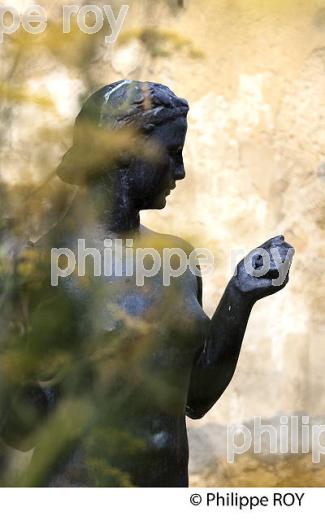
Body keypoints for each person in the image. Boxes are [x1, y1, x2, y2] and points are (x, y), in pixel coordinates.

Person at [0, 80, 294, 486]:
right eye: (172, 154)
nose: (181, 171)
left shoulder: (178, 260)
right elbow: (20, 432)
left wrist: (240, 295)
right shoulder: (43, 266)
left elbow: (196, 398)